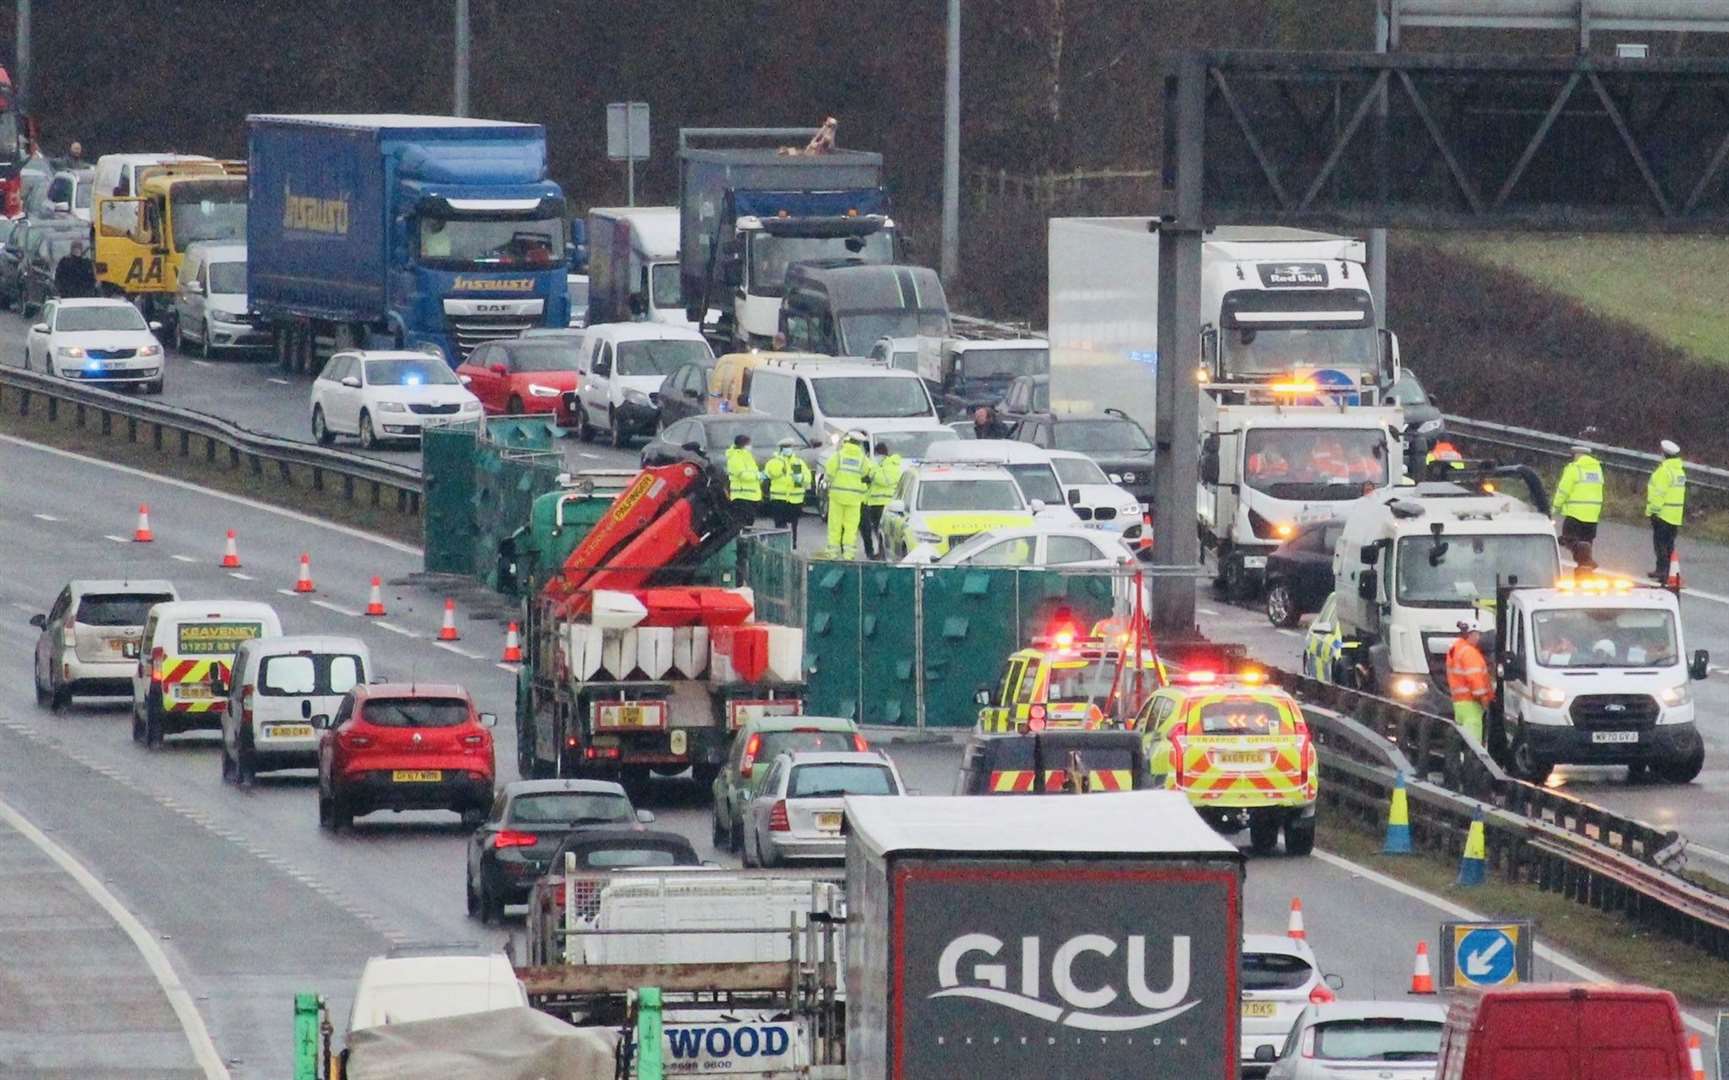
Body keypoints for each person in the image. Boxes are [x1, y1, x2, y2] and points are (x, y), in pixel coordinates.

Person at [1551, 441, 1605, 569]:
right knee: (1586, 543)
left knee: (1569, 539)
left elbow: (1563, 490)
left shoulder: (1574, 469)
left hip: (1575, 513)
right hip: (1592, 515)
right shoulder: (1597, 469)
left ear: (1577, 455)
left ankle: (1587, 561)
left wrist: (1554, 507)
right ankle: (1585, 568)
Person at [823, 430, 874, 559]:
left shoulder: (838, 456)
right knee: (851, 528)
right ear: (860, 444)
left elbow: (828, 474)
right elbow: (867, 474)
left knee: (835, 526)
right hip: (854, 499)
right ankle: (848, 555)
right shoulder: (863, 460)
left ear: (848, 441)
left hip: (837, 497)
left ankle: (832, 553)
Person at [1445, 622, 1493, 745]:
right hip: (1472, 704)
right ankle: (1471, 764)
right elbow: (1475, 680)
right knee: (1473, 744)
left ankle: (1462, 762)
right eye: (1477, 634)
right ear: (1470, 634)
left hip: (1459, 703)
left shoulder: (1455, 649)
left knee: (1462, 740)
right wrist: (1485, 700)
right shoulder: (1470, 653)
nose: (1478, 638)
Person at [1645, 438, 1686, 582]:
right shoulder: (1679, 472)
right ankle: (1666, 570)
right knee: (1669, 544)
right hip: (1675, 515)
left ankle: (1662, 571)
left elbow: (1659, 493)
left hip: (1663, 514)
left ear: (1664, 454)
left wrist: (1653, 512)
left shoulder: (1664, 471)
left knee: (1660, 544)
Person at [763, 436, 811, 548]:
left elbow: (807, 479)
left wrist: (801, 478)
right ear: (780, 449)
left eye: (790, 447)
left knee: (794, 525)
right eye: (786, 447)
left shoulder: (798, 462)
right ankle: (781, 545)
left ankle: (793, 544)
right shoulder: (774, 462)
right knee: (779, 524)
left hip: (795, 499)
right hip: (779, 499)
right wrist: (780, 463)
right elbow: (770, 473)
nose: (788, 449)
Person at [861, 439, 903, 559]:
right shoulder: (882, 465)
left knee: (881, 531)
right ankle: (880, 552)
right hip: (874, 503)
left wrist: (873, 471)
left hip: (884, 504)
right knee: (877, 530)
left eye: (877, 455)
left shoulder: (891, 465)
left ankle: (882, 553)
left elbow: (884, 480)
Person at [725, 433, 763, 526]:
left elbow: (753, 470)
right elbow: (742, 475)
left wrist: (759, 477)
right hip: (741, 495)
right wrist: (758, 476)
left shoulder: (747, 456)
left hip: (752, 495)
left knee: (749, 521)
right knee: (743, 522)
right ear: (743, 444)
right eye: (748, 444)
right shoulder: (735, 457)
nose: (750, 446)